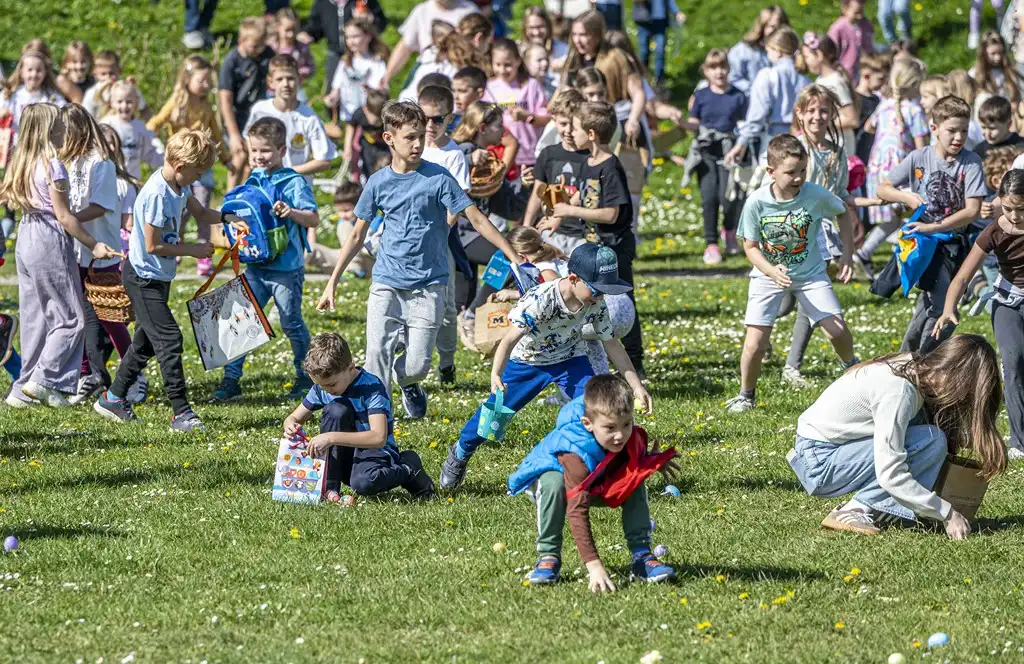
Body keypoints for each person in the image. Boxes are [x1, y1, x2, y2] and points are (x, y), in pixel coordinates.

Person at [316, 101, 521, 419]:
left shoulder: (438, 178)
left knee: (416, 364)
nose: (417, 144)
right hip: (386, 282)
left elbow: (476, 219)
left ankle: (408, 380)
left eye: (420, 138)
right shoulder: (377, 183)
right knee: (375, 358)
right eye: (410, 137)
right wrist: (332, 282)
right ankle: (379, 427)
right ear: (389, 138)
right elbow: (357, 235)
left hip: (430, 284)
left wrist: (511, 255)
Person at [441, 243, 653, 491]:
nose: (600, 297)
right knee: (494, 416)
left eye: (605, 292)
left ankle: (603, 469)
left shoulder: (595, 301)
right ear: (573, 279)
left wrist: (636, 386)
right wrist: (496, 374)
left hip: (570, 359)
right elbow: (508, 340)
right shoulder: (541, 299)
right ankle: (461, 450)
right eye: (597, 290)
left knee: (598, 409)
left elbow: (613, 345)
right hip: (528, 362)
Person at [93, 129, 248, 432]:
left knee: (146, 342)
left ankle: (112, 398)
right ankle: (181, 413)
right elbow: (153, 245)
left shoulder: (179, 186)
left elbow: (201, 213)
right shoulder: (156, 195)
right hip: (142, 278)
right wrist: (192, 250)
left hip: (158, 277)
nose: (199, 178)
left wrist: (229, 218)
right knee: (170, 340)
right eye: (198, 172)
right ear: (180, 167)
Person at [790, 334, 1006, 538]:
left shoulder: (913, 368)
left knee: (931, 437)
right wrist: (947, 513)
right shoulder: (900, 391)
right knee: (931, 440)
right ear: (956, 377)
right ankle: (856, 509)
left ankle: (885, 508)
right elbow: (890, 472)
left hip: (821, 451)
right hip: (819, 462)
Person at [725, 134, 857, 413]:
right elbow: (750, 247)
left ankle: (853, 371)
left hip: (810, 274)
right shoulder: (756, 202)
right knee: (755, 344)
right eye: (791, 173)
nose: (798, 178)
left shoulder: (815, 195)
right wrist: (771, 271)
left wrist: (847, 253)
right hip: (767, 274)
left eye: (802, 171)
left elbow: (843, 212)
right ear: (771, 172)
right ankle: (745, 395)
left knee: (837, 330)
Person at [508, 374, 676, 589]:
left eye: (626, 424)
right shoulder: (574, 454)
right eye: (610, 428)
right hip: (550, 483)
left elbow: (628, 454)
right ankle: (548, 556)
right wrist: (594, 566)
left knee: (635, 478)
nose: (620, 435)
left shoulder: (620, 429)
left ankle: (642, 557)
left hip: (594, 477)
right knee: (554, 482)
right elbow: (577, 509)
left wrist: (650, 462)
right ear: (588, 424)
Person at [0, 104, 118, 408]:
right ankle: (44, 379)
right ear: (48, 130)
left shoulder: (21, 162)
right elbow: (65, 217)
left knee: (36, 316)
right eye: (58, 125)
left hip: (25, 235)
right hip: (48, 237)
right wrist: (94, 244)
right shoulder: (53, 166)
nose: (64, 129)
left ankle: (22, 386)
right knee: (70, 318)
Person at [213, 118, 321, 403]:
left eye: (266, 151)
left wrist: (291, 212)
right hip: (255, 265)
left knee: (291, 322)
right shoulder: (254, 179)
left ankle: (306, 376)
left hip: (286, 268)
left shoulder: (292, 181)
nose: (259, 157)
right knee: (242, 319)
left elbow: (314, 217)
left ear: (282, 149)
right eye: (254, 151)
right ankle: (231, 379)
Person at [876, 95, 987, 354]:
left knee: (928, 305)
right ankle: (926, 361)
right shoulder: (918, 157)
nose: (958, 137)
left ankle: (904, 358)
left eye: (963, 130)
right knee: (942, 305)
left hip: (955, 244)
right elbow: (883, 188)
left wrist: (936, 227)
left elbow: (972, 210)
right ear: (934, 128)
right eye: (951, 130)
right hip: (924, 245)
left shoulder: (970, 163)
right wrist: (905, 196)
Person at [934, 170, 1024, 459]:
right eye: (1008, 208)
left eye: (1021, 210)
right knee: (1013, 362)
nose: (1014, 216)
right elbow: (962, 278)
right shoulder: (994, 232)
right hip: (1008, 302)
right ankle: (1019, 442)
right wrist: (949, 309)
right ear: (999, 202)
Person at [552, 101, 645, 376]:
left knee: (623, 304)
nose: (571, 133)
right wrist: (558, 214)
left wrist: (571, 210)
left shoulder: (610, 166)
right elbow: (587, 195)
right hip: (595, 247)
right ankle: (596, 365)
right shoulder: (589, 163)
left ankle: (635, 365)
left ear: (591, 134)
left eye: (576, 128)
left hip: (615, 249)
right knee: (593, 304)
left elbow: (612, 213)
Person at [283, 333, 436, 500]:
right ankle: (329, 488)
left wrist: (330, 437)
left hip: (376, 453)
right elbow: (293, 418)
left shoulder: (371, 387)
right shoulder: (324, 387)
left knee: (364, 483)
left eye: (331, 384)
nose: (326, 390)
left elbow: (378, 438)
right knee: (336, 409)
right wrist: (290, 425)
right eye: (319, 385)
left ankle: (408, 468)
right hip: (344, 455)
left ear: (351, 368)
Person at [59, 105, 132, 406]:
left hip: (101, 250)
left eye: (61, 132)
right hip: (76, 250)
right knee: (82, 317)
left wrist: (68, 219)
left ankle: (134, 373)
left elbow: (100, 206)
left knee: (111, 317)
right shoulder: (66, 162)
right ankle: (88, 374)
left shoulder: (100, 163)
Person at [147, 56, 230, 277]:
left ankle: (204, 250)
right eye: (201, 80)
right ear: (187, 79)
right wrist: (149, 139)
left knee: (201, 206)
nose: (206, 85)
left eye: (208, 81)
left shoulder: (207, 108)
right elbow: (156, 122)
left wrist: (226, 158)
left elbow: (217, 135)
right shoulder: (177, 103)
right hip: (180, 166)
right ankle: (177, 245)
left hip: (201, 166)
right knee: (180, 210)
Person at [418, 85, 472, 387]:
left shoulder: (453, 156)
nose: (429, 126)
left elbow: (457, 205)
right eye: (423, 118)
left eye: (437, 120)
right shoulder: (412, 147)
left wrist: (439, 232)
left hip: (440, 240)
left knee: (447, 307)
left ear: (449, 118)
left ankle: (447, 363)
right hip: (409, 240)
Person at [855, 58, 929, 275]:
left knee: (894, 218)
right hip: (901, 173)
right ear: (915, 84)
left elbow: (869, 126)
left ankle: (863, 254)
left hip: (879, 169)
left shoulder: (884, 105)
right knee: (913, 217)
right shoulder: (914, 111)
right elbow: (921, 149)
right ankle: (902, 264)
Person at [684, 48, 748, 265]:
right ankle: (711, 244)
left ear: (728, 69)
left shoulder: (738, 96)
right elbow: (695, 121)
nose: (719, 72)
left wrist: (740, 146)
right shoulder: (701, 96)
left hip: (730, 152)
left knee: (729, 198)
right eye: (713, 68)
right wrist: (681, 122)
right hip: (706, 152)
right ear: (706, 71)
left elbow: (744, 125)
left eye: (722, 67)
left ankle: (729, 230)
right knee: (709, 198)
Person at [243, 54, 337, 184]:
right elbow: (249, 136)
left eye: (290, 78)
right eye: (280, 79)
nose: (286, 84)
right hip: (264, 185)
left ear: (299, 80)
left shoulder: (309, 117)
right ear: (271, 82)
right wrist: (252, 155)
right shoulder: (260, 110)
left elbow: (324, 161)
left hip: (295, 190)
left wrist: (287, 172)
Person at [724, 27, 809, 168]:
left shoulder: (767, 75)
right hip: (801, 141)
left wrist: (741, 143)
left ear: (778, 51)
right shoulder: (805, 80)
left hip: (775, 141)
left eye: (768, 50)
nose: (767, 54)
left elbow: (757, 116)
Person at [524, 89, 590, 256]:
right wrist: (526, 226)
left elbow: (587, 191)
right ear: (553, 121)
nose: (568, 130)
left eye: (573, 125)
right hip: (552, 233)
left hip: (583, 233)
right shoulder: (549, 154)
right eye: (563, 124)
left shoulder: (591, 156)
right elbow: (538, 193)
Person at [219, 17, 275, 189]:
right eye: (254, 46)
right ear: (241, 40)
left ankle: (247, 193)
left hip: (258, 114)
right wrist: (234, 134)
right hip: (236, 114)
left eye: (262, 45)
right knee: (240, 154)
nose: (259, 50)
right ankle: (230, 197)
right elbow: (225, 101)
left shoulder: (267, 54)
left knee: (254, 157)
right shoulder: (231, 63)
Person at [381, 0, 481, 90]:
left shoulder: (469, 11)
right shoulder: (422, 10)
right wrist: (387, 76)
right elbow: (405, 46)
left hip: (459, 74)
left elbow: (480, 49)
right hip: (427, 70)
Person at [297, 0, 387, 99]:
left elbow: (381, 22)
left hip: (362, 52)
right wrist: (308, 33)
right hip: (335, 52)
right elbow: (315, 24)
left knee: (364, 88)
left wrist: (371, 19)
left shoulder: (364, 1)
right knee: (333, 88)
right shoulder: (322, 2)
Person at [486, 39, 550, 170]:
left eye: (508, 64)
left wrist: (528, 117)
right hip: (499, 156)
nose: (502, 70)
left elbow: (547, 119)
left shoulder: (531, 86)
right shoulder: (489, 88)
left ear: (518, 61)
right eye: (497, 64)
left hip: (529, 155)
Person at [324, 18, 389, 125]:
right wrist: (331, 99)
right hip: (349, 115)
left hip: (369, 117)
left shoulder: (376, 62)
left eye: (355, 36)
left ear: (368, 36)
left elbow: (383, 90)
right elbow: (336, 89)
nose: (350, 41)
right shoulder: (345, 62)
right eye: (348, 37)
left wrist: (370, 89)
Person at [801, 32, 859, 151]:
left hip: (839, 145)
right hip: (827, 144)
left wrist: (821, 123)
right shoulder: (821, 80)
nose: (805, 61)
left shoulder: (835, 82)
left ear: (819, 55)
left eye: (807, 57)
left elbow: (851, 119)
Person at [100, 81, 163, 181]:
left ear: (136, 102)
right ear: (112, 102)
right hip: (111, 180)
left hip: (133, 180)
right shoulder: (107, 124)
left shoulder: (140, 127)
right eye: (120, 102)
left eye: (129, 102)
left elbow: (148, 153)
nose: (124, 106)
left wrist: (165, 160)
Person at [0, 50, 67, 134]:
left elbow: (64, 115)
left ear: (45, 72)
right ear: (21, 71)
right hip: (15, 143)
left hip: (42, 142)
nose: (34, 74)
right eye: (30, 70)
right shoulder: (10, 94)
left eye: (39, 70)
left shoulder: (51, 96)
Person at [727, 5, 790, 96]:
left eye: (780, 28)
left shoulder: (788, 53)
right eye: (772, 27)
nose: (776, 32)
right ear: (762, 26)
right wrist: (758, 90)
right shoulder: (742, 51)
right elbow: (733, 78)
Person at [81, 51, 150, 122]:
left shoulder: (128, 89)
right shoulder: (92, 92)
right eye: (103, 74)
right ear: (95, 74)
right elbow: (85, 116)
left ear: (119, 71)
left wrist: (150, 126)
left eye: (112, 73)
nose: (108, 77)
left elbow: (144, 109)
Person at [633, 0, 685, 86]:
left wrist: (676, 11)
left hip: (660, 19)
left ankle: (659, 82)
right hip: (643, 18)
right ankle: (643, 80)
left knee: (660, 51)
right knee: (644, 52)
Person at [343, 89, 390, 182]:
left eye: (381, 120)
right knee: (368, 168)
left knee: (385, 166)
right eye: (377, 120)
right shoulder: (359, 114)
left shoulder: (389, 118)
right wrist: (347, 147)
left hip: (384, 146)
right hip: (367, 145)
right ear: (366, 110)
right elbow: (351, 126)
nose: (379, 123)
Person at [970, 31, 1021, 110]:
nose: (998, 57)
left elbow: (1017, 97)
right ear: (984, 53)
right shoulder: (974, 74)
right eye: (993, 53)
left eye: (1000, 53)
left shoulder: (1009, 73)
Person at [333, 182, 374, 278]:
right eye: (340, 211)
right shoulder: (343, 222)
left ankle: (354, 269)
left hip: (369, 263)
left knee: (344, 226)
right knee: (314, 250)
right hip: (346, 261)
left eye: (347, 210)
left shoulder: (372, 221)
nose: (343, 215)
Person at [269, 7, 315, 88]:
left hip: (295, 89)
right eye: (287, 30)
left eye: (294, 29)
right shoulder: (271, 48)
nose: (291, 34)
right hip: (273, 90)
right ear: (277, 27)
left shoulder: (302, 48)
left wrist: (302, 72)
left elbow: (311, 67)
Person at [827, 0, 874, 79]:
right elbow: (830, 53)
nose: (860, 16)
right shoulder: (837, 29)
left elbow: (870, 46)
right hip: (845, 74)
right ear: (844, 9)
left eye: (862, 12)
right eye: (856, 13)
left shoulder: (866, 24)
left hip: (865, 72)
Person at [520, 6, 570, 72]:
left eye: (540, 27)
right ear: (525, 29)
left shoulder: (563, 50)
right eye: (531, 28)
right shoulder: (518, 52)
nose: (536, 32)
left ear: (548, 27)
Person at [975, 95, 1024, 160]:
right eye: (983, 127)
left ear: (1008, 124)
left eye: (992, 128)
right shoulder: (979, 151)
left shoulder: (1020, 147)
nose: (987, 133)